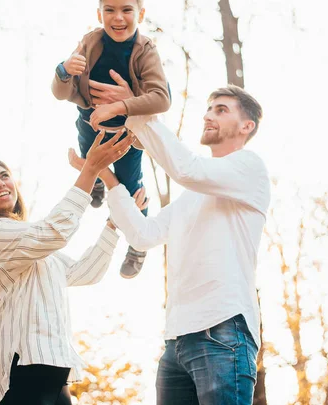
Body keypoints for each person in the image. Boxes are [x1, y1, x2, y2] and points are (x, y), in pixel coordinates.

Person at [69, 85, 271, 404]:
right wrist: (108, 179)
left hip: (223, 330)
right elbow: (143, 235)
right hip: (175, 342)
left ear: (247, 126)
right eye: (208, 108)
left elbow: (186, 169)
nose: (208, 115)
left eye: (221, 109)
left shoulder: (250, 168)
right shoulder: (191, 196)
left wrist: (133, 110)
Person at [0, 130, 135, 405]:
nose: (0, 183)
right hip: (23, 371)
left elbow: (84, 272)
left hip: (53, 371)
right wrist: (90, 169)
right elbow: (54, 231)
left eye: (4, 175)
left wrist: (114, 223)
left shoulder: (25, 245)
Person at [52, 0, 171, 279]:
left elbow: (162, 98)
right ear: (99, 12)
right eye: (110, 10)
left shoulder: (145, 51)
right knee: (85, 149)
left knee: (132, 187)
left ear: (140, 13)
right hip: (89, 122)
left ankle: (138, 244)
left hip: (127, 136)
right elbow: (61, 93)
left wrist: (119, 105)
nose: (118, 18)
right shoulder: (90, 42)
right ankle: (96, 184)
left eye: (127, 10)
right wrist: (64, 71)